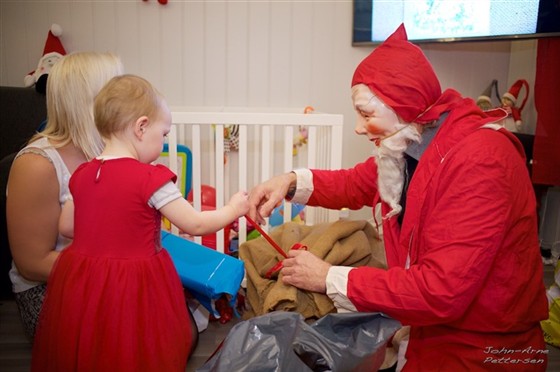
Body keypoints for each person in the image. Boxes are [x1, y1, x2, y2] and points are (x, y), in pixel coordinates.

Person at [248, 24, 549, 371]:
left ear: (402, 102)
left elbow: (441, 290)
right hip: (435, 330)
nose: (359, 127)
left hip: (487, 349)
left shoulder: (481, 159)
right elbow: (355, 182)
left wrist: (329, 276)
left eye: (366, 113)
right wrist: (288, 181)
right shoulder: (416, 140)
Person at [31, 74, 250, 371]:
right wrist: (233, 208)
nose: (163, 142)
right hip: (136, 281)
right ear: (141, 127)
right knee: (138, 344)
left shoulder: (82, 173)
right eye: (164, 134)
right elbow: (196, 224)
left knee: (98, 343)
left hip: (87, 280)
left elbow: (67, 227)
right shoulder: (151, 178)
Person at [6, 51, 124, 341]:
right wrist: (117, 271)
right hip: (51, 286)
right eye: (118, 88)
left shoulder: (109, 150)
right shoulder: (36, 165)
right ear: (93, 100)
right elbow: (32, 263)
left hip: (104, 271)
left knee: (176, 326)